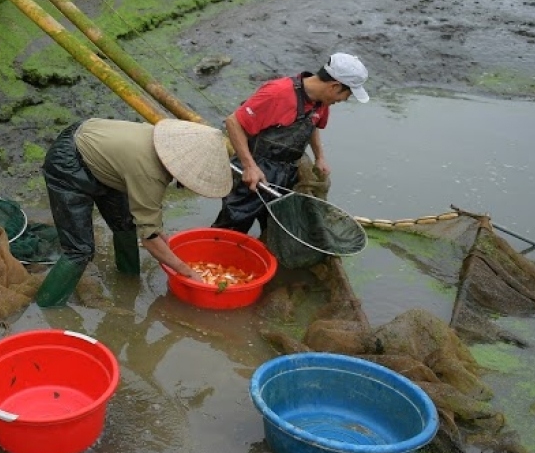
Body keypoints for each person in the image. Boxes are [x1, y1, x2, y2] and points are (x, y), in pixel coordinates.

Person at [35, 117, 233, 308]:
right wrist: (187, 271)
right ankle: (47, 304)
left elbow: (147, 212)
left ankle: (128, 280)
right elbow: (149, 239)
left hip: (101, 151)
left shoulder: (159, 142)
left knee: (125, 223)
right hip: (68, 160)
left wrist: (157, 228)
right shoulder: (150, 174)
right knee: (80, 250)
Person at [212, 52, 369, 236]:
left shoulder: (321, 102)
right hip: (257, 168)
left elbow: (312, 125)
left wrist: (320, 157)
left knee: (276, 227)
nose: (343, 100)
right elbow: (234, 122)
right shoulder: (277, 93)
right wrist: (249, 166)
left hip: (287, 172)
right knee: (234, 222)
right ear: (335, 86)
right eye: (347, 95)